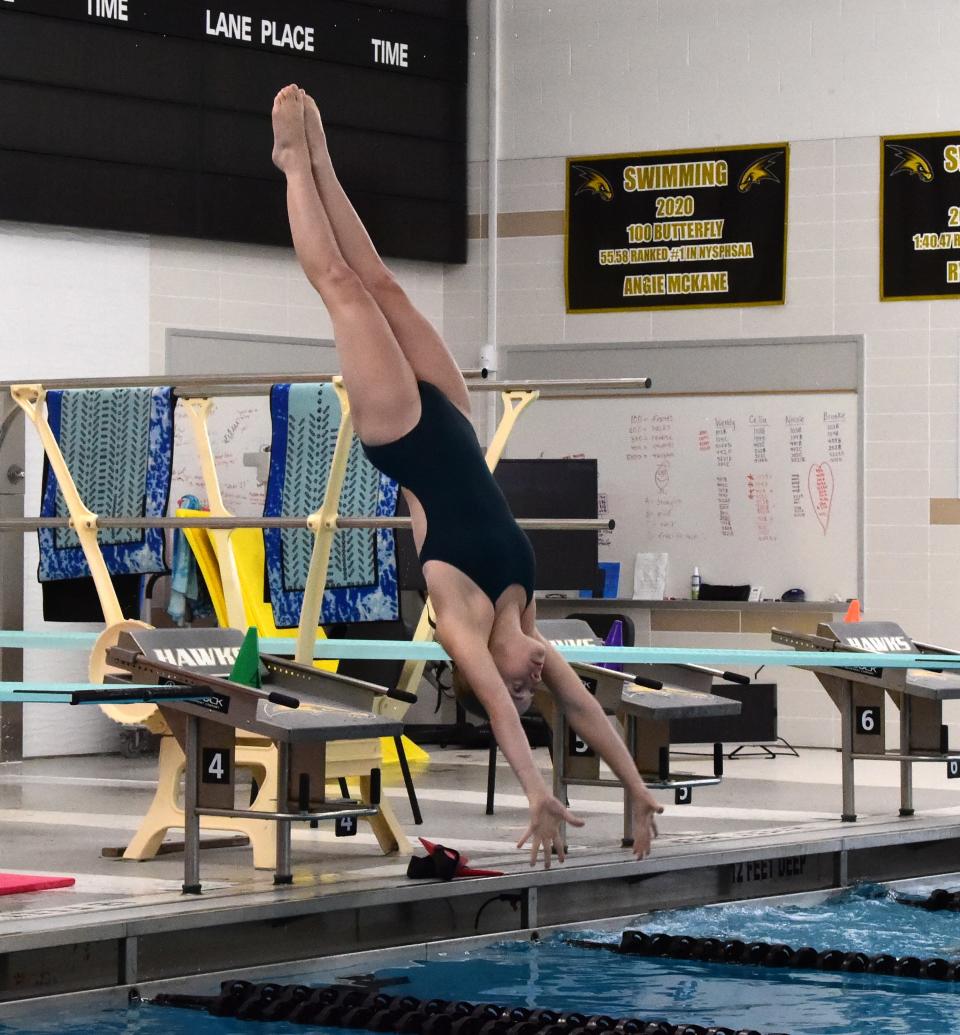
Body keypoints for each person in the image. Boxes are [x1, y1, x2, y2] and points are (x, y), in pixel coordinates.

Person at [271, 84, 662, 868]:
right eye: (532, 685)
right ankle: (324, 163)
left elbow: (507, 714)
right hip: (451, 413)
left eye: (523, 685)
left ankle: (289, 165)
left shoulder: (464, 622)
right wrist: (636, 788)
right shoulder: (530, 610)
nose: (531, 680)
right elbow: (585, 712)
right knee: (385, 284)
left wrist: (535, 790)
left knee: (344, 292)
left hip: (404, 437)